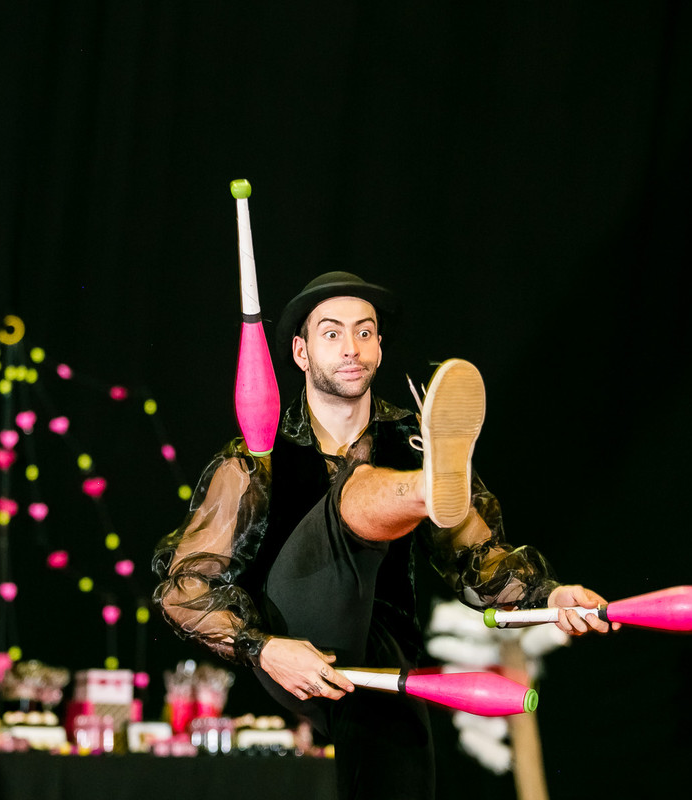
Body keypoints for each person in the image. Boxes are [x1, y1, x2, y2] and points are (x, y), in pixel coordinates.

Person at [153, 271, 617, 799]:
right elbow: (184, 589)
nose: (351, 347)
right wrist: (264, 649)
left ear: (378, 345)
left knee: (400, 765)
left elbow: (478, 559)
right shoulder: (254, 459)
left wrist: (550, 597)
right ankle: (424, 490)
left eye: (365, 331)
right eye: (332, 333)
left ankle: (428, 490)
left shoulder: (411, 439)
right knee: (352, 496)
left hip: (382, 665)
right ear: (301, 352)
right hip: (296, 639)